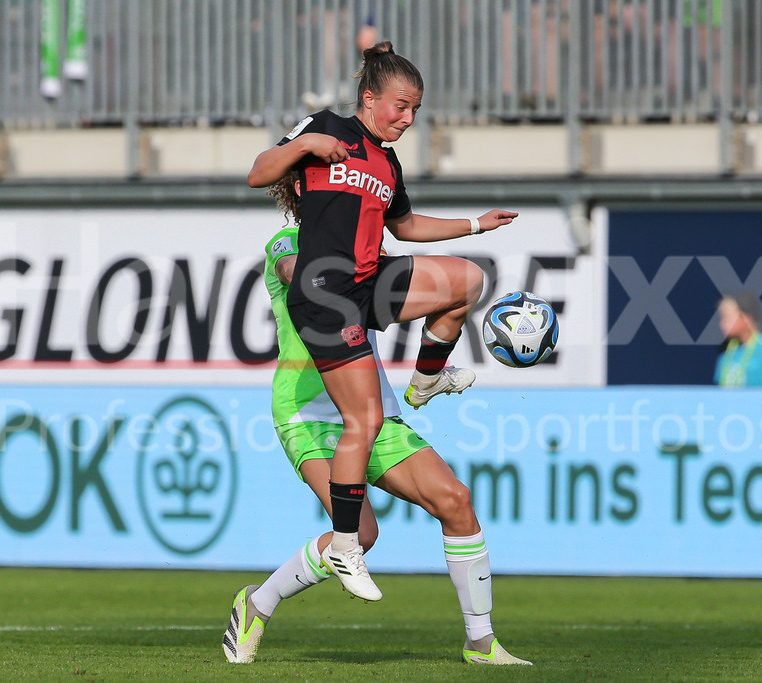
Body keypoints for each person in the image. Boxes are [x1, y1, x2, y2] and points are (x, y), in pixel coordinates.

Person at [221, 172, 531, 667]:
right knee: (361, 535)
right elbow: (301, 276)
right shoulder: (288, 241)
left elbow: (408, 243)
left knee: (456, 501)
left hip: (373, 408)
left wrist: (465, 237)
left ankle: (481, 643)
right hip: (310, 413)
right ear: (304, 191)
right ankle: (258, 603)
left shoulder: (364, 248)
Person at [247, 41, 518, 603]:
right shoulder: (327, 131)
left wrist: (475, 224)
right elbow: (258, 173)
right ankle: (341, 548)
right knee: (364, 421)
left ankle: (426, 380)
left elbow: (408, 226)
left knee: (466, 280)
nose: (408, 118)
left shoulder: (387, 164)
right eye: (401, 105)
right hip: (326, 291)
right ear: (369, 99)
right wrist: (308, 143)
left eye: (416, 110)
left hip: (362, 284)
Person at [714, 291, 762, 387]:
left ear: (747, 318)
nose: (722, 323)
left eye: (728, 317)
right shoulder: (725, 347)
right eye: (722, 318)